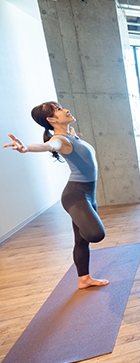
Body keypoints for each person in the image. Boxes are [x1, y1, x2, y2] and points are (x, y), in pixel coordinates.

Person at [3, 102, 109, 290]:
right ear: (51, 120)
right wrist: (26, 148)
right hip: (76, 196)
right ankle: (83, 274)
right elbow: (49, 146)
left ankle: (83, 279)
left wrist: (75, 138)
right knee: (95, 234)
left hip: (87, 195)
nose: (65, 109)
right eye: (59, 109)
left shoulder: (71, 137)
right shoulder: (60, 140)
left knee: (81, 241)